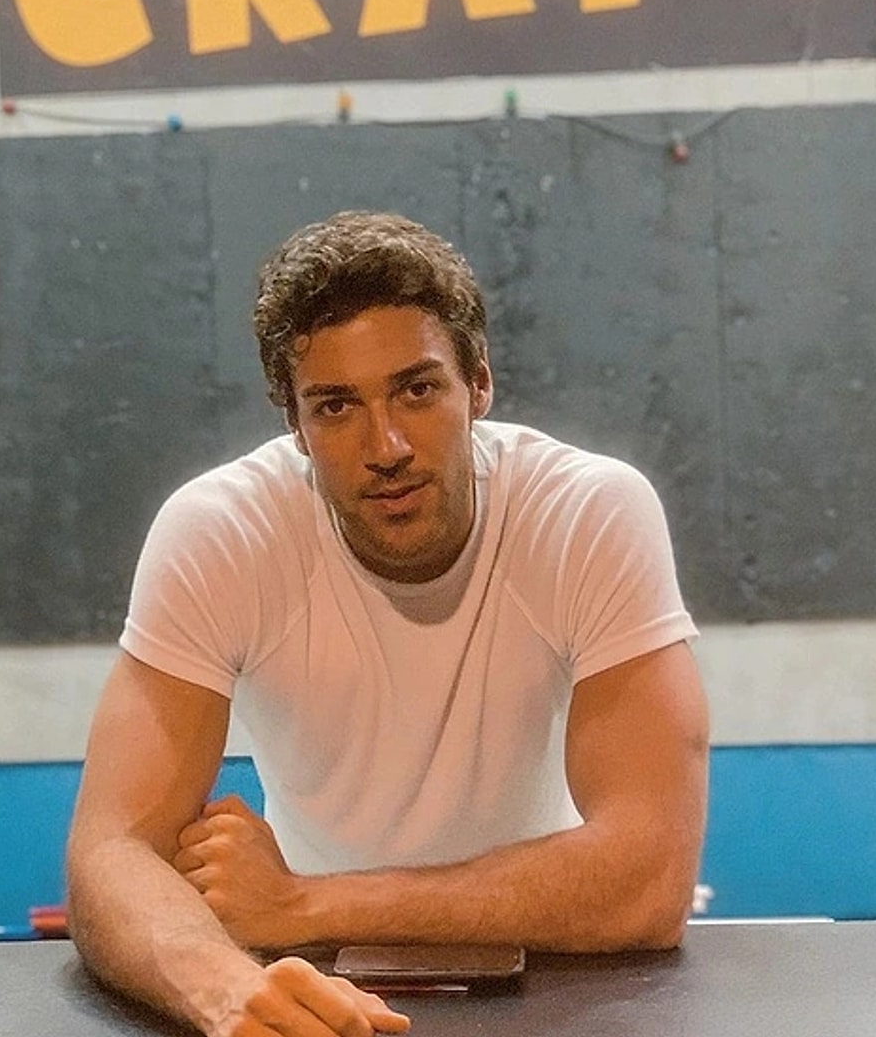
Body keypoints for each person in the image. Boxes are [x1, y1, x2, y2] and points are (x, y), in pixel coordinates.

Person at [66, 210, 710, 1037]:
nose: (388, 445)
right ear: (295, 426)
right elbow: (110, 851)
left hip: (555, 964)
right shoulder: (221, 532)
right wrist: (223, 986)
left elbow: (648, 880)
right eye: (336, 406)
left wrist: (304, 902)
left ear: (479, 384)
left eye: (418, 389)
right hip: (304, 974)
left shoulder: (587, 512)